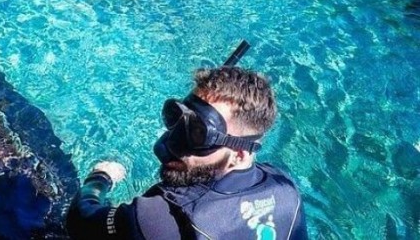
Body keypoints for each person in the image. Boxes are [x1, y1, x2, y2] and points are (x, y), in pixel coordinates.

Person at [66, 66, 308, 239]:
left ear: (240, 154)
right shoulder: (287, 192)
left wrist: (101, 177)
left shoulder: (158, 220)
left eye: (199, 133)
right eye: (176, 118)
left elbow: (79, 220)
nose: (170, 144)